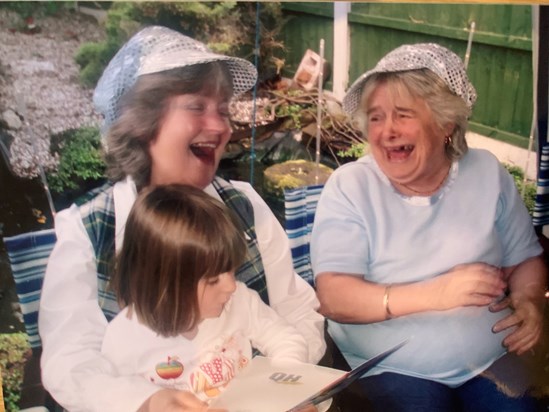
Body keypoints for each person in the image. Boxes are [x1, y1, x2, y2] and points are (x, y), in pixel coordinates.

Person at [39, 25, 325, 412]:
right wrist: (145, 401)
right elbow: (70, 362)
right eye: (196, 107)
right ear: (142, 123)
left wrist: (287, 387)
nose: (221, 126)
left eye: (223, 111)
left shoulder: (243, 205)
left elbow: (297, 312)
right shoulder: (90, 229)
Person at [311, 43, 548, 411]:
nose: (386, 131)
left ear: (446, 122)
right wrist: (436, 294)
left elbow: (525, 259)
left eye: (402, 115)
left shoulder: (487, 172)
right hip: (392, 365)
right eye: (375, 117)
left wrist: (527, 300)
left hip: (489, 356)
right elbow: (334, 297)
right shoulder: (350, 188)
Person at [94, 184, 309, 408]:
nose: (231, 286)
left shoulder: (240, 302)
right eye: (213, 280)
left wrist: (284, 386)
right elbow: (106, 398)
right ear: (166, 284)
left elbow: (286, 339)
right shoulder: (125, 338)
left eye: (232, 269)